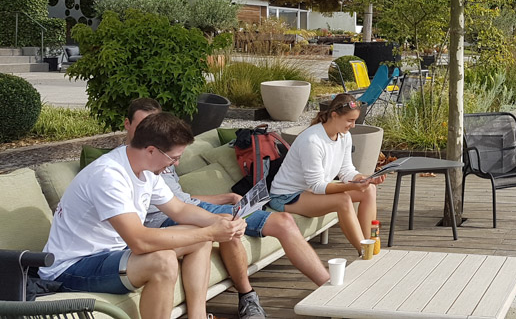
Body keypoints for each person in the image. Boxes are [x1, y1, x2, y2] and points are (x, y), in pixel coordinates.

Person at [129, 100, 329, 318]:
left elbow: (179, 200)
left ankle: (330, 289)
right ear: (127, 125)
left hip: (188, 208)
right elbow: (164, 210)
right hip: (164, 220)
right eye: (142, 126)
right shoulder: (138, 163)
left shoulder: (162, 157)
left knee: (284, 221)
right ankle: (247, 296)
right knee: (227, 224)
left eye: (153, 126)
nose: (149, 133)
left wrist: (226, 197)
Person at [40, 112, 246, 319]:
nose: (175, 164)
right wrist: (211, 232)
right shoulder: (109, 176)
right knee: (162, 261)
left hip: (113, 253)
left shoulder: (146, 170)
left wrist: (221, 221)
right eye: (174, 158)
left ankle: (198, 317)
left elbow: (179, 209)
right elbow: (139, 241)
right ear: (151, 150)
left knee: (201, 236)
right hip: (71, 267)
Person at [269, 94, 385, 254]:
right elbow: (317, 186)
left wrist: (364, 179)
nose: (353, 125)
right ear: (334, 115)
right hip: (287, 196)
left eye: (355, 121)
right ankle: (364, 252)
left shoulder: (344, 136)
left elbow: (346, 170)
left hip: (310, 191)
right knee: (343, 200)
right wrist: (352, 186)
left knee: (369, 190)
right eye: (350, 120)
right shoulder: (312, 141)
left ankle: (371, 242)